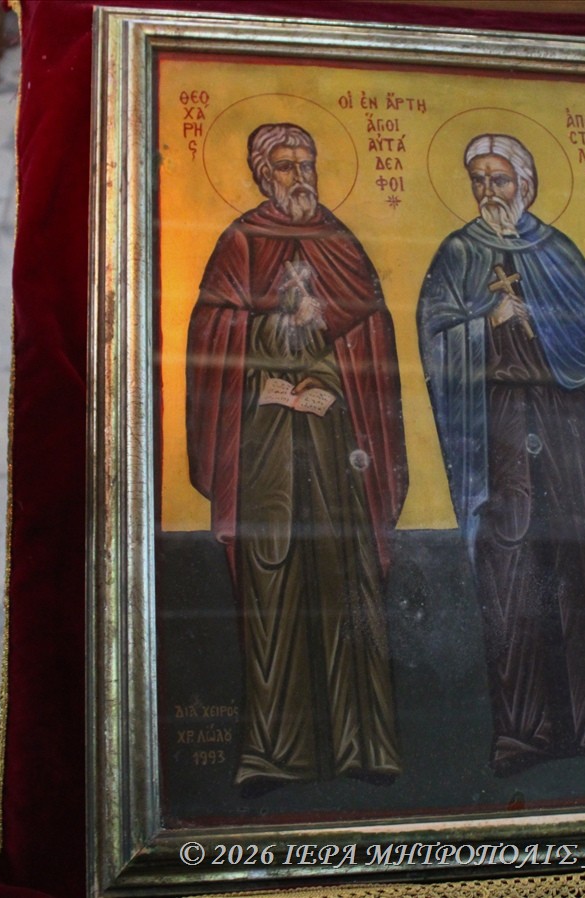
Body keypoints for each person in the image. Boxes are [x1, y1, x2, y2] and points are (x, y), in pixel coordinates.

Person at [417, 133, 585, 777]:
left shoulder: (559, 252)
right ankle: (523, 734)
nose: (488, 191)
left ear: (526, 184)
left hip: (567, 426)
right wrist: (485, 323)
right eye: (479, 180)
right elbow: (434, 345)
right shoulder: (458, 254)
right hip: (499, 423)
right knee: (511, 565)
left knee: (582, 560)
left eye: (499, 179)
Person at [186, 122, 408, 791]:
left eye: (306, 162)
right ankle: (275, 752)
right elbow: (209, 336)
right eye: (285, 165)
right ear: (263, 174)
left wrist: (331, 367)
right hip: (265, 446)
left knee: (346, 582)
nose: (299, 176)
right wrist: (272, 335)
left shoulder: (339, 241)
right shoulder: (241, 242)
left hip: (334, 446)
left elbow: (372, 332)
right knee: (274, 586)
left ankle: (363, 745)